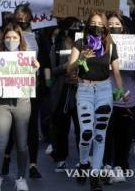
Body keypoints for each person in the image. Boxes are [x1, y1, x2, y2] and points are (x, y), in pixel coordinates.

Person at [67, 12, 128, 191]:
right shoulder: (80, 44)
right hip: (84, 90)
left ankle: (95, 176)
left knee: (100, 135)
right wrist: (81, 59)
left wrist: (121, 91)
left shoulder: (110, 44)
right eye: (92, 23)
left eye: (99, 23)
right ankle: (83, 162)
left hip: (104, 91)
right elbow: (69, 69)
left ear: (104, 26)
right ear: (87, 25)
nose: (96, 26)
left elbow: (116, 72)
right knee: (86, 132)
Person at [0, 23, 39, 191]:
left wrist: (35, 69)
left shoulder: (27, 57)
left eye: (15, 38)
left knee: (22, 142)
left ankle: (21, 178)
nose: (11, 40)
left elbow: (33, 77)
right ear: (3, 39)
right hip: (2, 104)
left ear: (20, 40)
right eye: (8, 37)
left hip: (22, 103)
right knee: (0, 141)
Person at [102, 13, 135, 183]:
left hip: (127, 98)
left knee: (124, 135)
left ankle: (119, 165)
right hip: (105, 96)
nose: (114, 26)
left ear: (123, 27)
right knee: (106, 134)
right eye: (110, 23)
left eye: (117, 23)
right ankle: (107, 165)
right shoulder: (99, 42)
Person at [49, 18, 81, 172]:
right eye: (73, 27)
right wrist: (65, 67)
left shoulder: (85, 45)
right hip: (63, 91)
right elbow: (51, 70)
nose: (76, 29)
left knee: (81, 125)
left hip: (80, 89)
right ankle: (61, 157)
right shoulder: (56, 47)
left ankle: (84, 158)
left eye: (78, 26)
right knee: (62, 126)